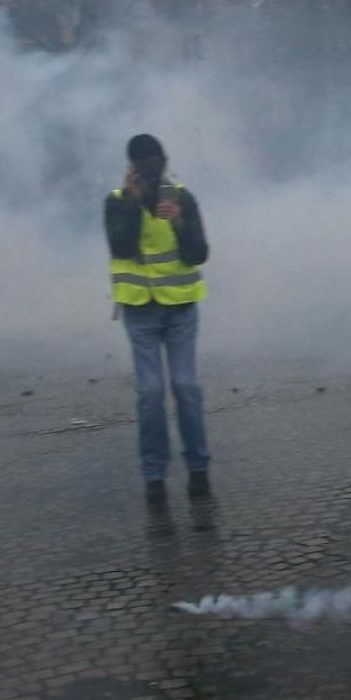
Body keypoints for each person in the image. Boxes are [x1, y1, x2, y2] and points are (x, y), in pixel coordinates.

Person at [105, 133, 213, 505]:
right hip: (141, 311)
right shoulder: (117, 203)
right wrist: (135, 205)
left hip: (181, 308)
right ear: (132, 168)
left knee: (185, 388)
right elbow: (120, 246)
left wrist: (180, 222)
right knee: (150, 393)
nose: (154, 169)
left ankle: (198, 469)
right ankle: (154, 476)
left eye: (158, 161)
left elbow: (199, 254)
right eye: (145, 163)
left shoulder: (182, 198)